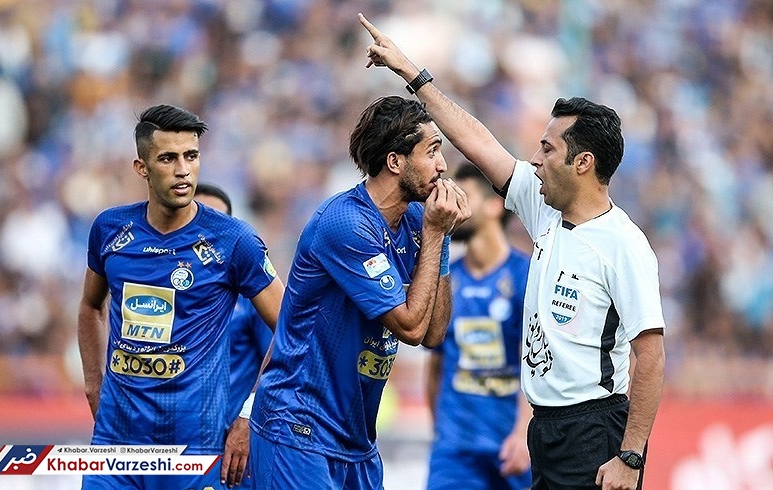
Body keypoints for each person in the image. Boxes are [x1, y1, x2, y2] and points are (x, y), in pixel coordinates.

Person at [359, 13, 666, 490]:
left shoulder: (623, 244)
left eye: (548, 149)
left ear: (583, 163)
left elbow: (651, 354)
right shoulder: (545, 211)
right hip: (545, 429)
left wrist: (630, 455)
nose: (535, 159)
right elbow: (478, 142)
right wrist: (411, 73)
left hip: (593, 430)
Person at [243, 95, 471, 490]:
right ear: (395, 161)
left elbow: (434, 335)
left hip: (356, 438)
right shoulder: (346, 223)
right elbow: (411, 328)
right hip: (299, 427)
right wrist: (436, 233)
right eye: (432, 151)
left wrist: (442, 237)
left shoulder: (417, 219)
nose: (442, 166)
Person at [77, 104, 285, 490]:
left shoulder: (233, 240)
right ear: (142, 167)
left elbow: (291, 325)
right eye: (168, 158)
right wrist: (93, 382)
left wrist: (249, 413)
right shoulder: (109, 229)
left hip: (194, 449)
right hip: (116, 446)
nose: (183, 169)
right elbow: (91, 306)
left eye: (191, 156)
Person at [425, 162, 532, 490]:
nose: (453, 207)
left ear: (493, 206)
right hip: (455, 454)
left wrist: (523, 433)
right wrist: (443, 432)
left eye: (465, 197)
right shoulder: (445, 280)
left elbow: (539, 365)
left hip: (511, 447)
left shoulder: (526, 276)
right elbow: (435, 366)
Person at [193, 183, 275, 433]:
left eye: (217, 222)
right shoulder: (160, 288)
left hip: (225, 439)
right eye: (197, 222)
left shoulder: (253, 296)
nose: (205, 236)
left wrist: (249, 416)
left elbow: (282, 353)